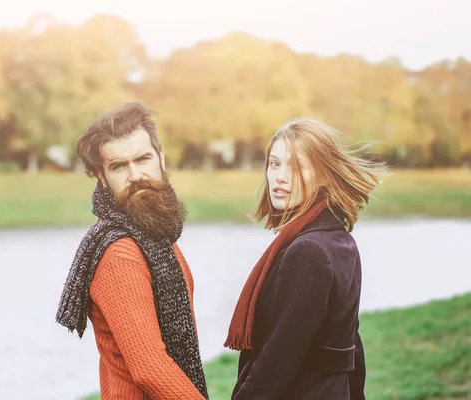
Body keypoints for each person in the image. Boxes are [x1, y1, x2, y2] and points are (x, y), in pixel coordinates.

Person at [225, 117, 387, 399]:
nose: (280, 176)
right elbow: (351, 348)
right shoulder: (340, 241)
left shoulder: (309, 251)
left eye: (296, 166)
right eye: (274, 164)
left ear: (324, 174)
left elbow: (278, 361)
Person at [55, 102, 208, 399]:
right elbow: (149, 368)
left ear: (160, 158)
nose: (136, 174)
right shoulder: (119, 252)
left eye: (143, 159)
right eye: (119, 166)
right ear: (101, 175)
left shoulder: (155, 232)